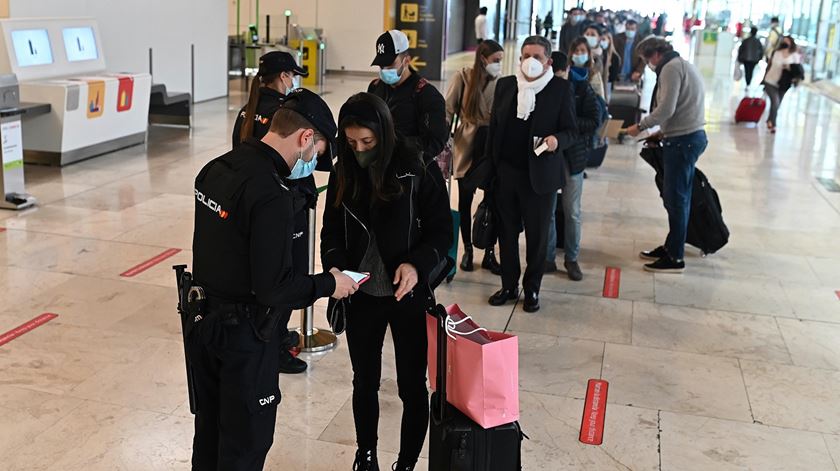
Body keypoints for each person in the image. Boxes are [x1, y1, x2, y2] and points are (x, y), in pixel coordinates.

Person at [190, 89, 358, 470]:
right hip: (246, 340)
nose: (313, 161)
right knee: (246, 444)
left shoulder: (216, 168)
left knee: (210, 435)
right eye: (316, 151)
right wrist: (330, 284)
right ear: (304, 139)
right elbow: (275, 288)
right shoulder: (272, 194)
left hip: (203, 328)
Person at [320, 93, 452, 471]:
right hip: (360, 293)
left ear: (385, 134)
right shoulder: (344, 168)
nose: (359, 150)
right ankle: (366, 455)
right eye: (351, 142)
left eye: (367, 142)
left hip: (407, 293)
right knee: (364, 381)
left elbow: (443, 231)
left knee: (413, 386)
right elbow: (331, 232)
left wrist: (417, 265)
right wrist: (335, 269)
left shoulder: (416, 165)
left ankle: (407, 462)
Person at [231, 50, 316, 375]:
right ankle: (276, 345)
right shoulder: (282, 115)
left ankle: (271, 335)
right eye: (292, 75)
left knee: (261, 276)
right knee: (282, 278)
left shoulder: (246, 112)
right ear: (284, 77)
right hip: (283, 208)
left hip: (252, 207)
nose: (293, 81)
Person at [485, 35, 577, 312]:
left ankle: (532, 288)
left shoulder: (560, 89)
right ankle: (509, 285)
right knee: (507, 234)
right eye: (526, 55)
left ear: (548, 61)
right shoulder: (505, 86)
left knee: (537, 238)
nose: (530, 61)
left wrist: (556, 141)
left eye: (537, 57)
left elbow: (572, 131)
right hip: (507, 174)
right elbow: (493, 130)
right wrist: (490, 169)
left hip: (540, 178)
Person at [626, 38, 707, 273]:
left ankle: (675, 257)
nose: (648, 65)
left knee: (677, 199)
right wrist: (662, 132)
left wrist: (641, 126)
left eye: (647, 59)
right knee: (676, 198)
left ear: (656, 54)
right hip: (684, 137)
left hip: (683, 141)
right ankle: (673, 245)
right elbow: (682, 106)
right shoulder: (680, 64)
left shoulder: (670, 68)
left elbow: (667, 108)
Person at [444, 40, 504, 275]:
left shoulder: (503, 83)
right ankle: (467, 250)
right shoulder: (464, 77)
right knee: (466, 201)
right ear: (483, 59)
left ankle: (489, 251)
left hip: (492, 145)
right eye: (496, 60)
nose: (499, 65)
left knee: (493, 200)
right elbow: (448, 109)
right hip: (468, 143)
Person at [368, 30, 447, 164]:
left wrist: (398, 147)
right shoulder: (375, 87)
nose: (385, 70)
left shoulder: (426, 95)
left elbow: (434, 143)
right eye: (381, 65)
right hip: (377, 164)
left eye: (390, 65)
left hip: (409, 167)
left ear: (407, 61)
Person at [763, 35, 802, 133]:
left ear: (791, 43)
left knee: (777, 103)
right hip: (770, 80)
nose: (785, 43)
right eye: (784, 41)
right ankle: (773, 125)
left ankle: (770, 119)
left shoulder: (795, 56)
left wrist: (788, 67)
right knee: (775, 101)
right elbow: (771, 65)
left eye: (787, 41)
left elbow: (797, 70)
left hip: (784, 83)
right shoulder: (776, 53)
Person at [582, 25, 607, 99]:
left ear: (599, 38)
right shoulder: (578, 52)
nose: (589, 36)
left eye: (593, 35)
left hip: (596, 93)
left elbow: (605, 76)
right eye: (587, 34)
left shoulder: (603, 54)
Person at [599, 31, 622, 101]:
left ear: (609, 41)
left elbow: (614, 76)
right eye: (600, 40)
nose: (601, 42)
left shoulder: (615, 57)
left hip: (608, 85)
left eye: (604, 40)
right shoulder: (598, 54)